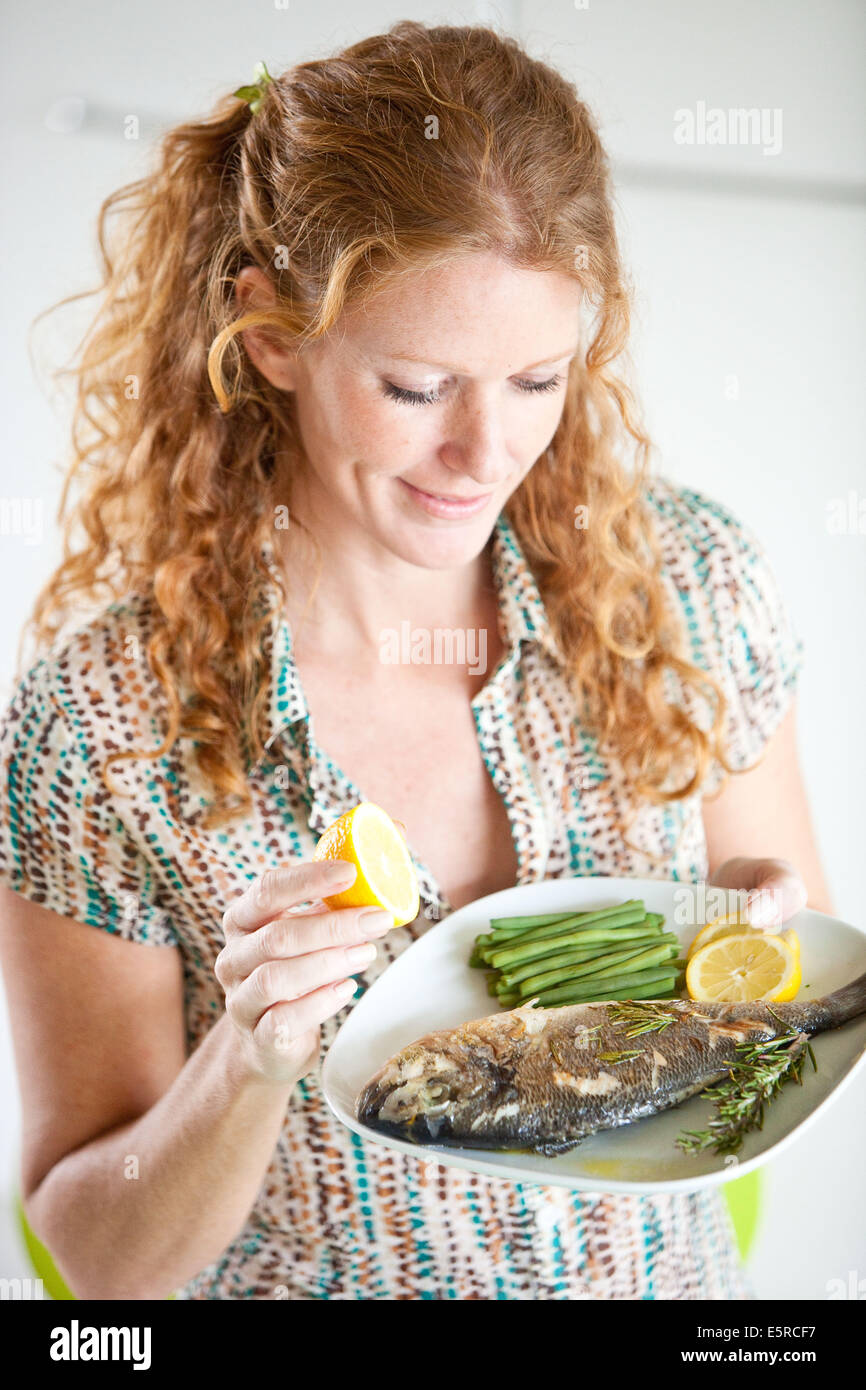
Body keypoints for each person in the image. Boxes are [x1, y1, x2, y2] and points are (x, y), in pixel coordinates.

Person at [0, 22, 832, 1301]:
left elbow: (790, 994)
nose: (484, 453)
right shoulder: (103, 721)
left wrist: (751, 923)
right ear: (271, 335)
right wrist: (249, 1053)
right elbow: (99, 1265)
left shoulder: (689, 589)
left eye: (535, 379)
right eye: (414, 388)